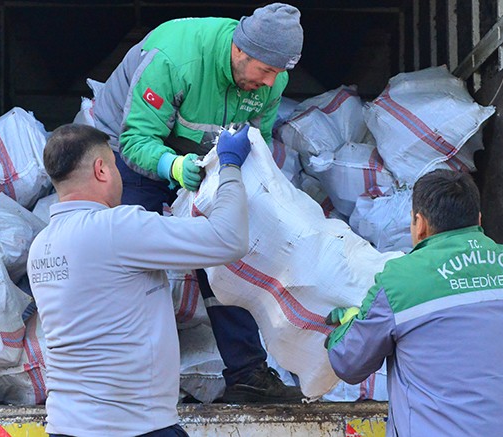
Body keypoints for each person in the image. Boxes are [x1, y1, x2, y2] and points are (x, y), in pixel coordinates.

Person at [91, 3, 305, 403]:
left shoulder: (270, 81)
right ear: (240, 51)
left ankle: (248, 373)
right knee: (132, 252)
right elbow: (134, 140)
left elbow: (258, 143)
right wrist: (172, 167)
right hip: (130, 148)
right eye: (265, 71)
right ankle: (121, 375)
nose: (272, 83)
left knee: (232, 246)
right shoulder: (174, 59)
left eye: (280, 74)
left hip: (204, 157)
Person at [27, 123, 252, 436]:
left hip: (65, 426)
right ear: (101, 169)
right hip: (133, 427)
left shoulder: (41, 245)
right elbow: (229, 239)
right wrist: (229, 166)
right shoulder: (116, 227)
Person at [325, 170, 503, 436]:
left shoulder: (400, 280)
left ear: (419, 223)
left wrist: (349, 324)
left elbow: (349, 364)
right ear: (478, 219)